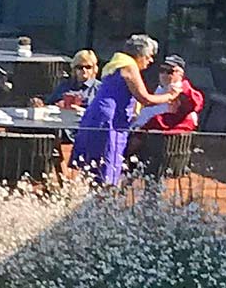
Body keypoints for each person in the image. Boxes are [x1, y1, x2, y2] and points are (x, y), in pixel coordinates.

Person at [71, 34, 171, 184]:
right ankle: (101, 205)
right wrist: (170, 96)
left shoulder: (117, 63)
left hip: (101, 117)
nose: (151, 61)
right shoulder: (129, 66)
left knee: (94, 171)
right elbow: (145, 98)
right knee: (106, 173)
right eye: (149, 56)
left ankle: (94, 205)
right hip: (109, 121)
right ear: (139, 54)